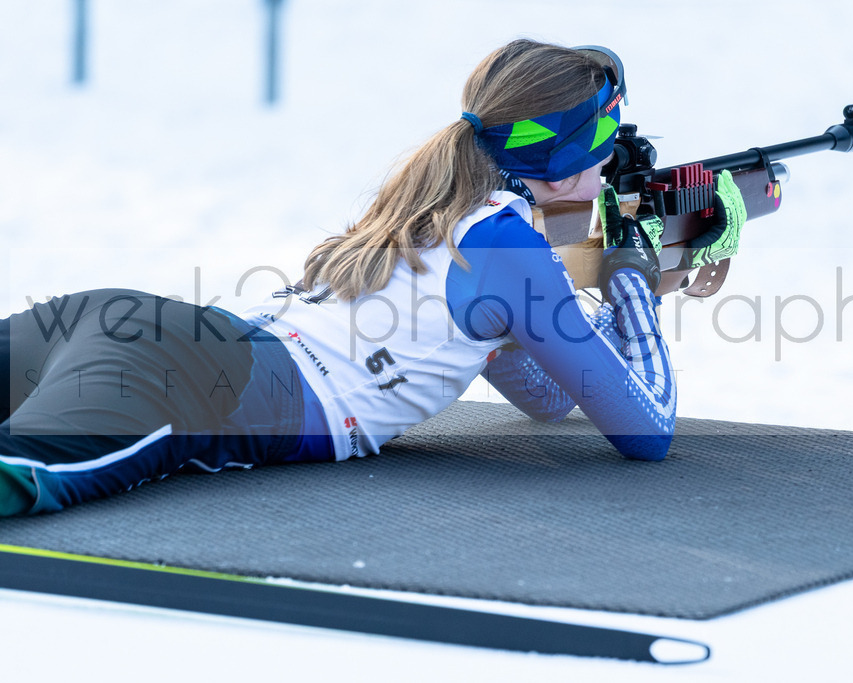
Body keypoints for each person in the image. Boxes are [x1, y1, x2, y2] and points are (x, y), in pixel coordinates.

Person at [0, 39, 745, 516]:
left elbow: (548, 394)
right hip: (192, 380)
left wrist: (635, 285)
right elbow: (645, 430)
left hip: (135, 327)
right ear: (560, 162)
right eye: (605, 145)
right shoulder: (507, 247)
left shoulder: (443, 204)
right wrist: (632, 276)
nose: (613, 164)